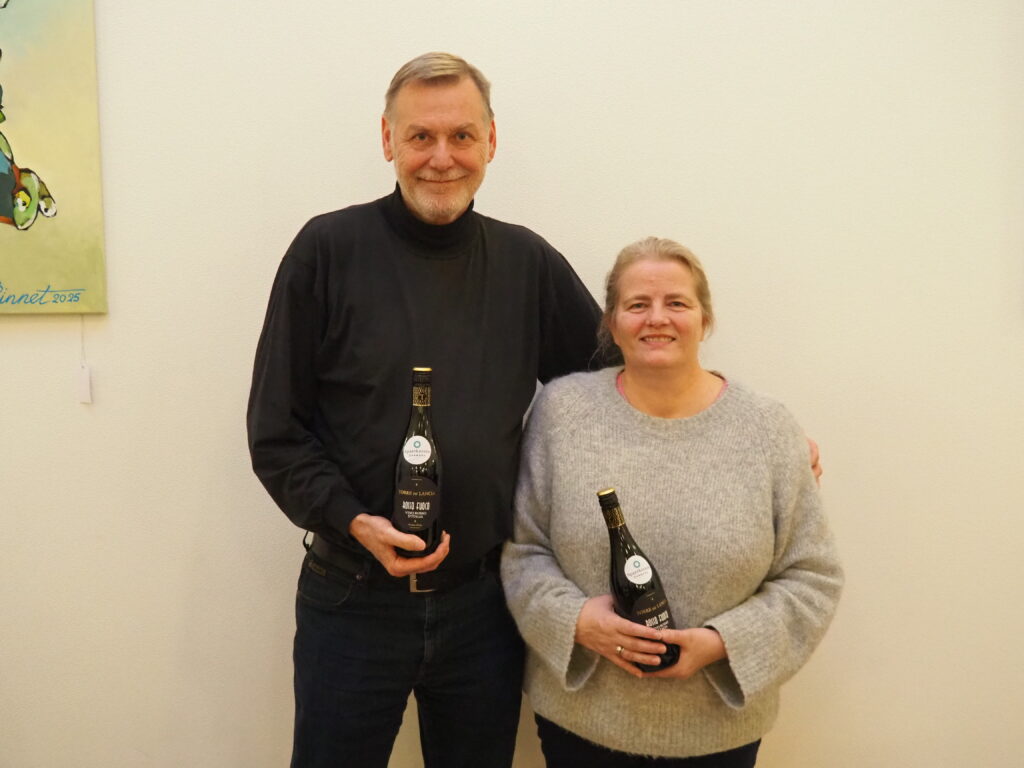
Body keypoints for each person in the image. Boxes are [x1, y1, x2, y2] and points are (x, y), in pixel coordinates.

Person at [246, 52, 607, 768]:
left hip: (485, 607)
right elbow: (275, 433)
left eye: (462, 136)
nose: (442, 158)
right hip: (351, 599)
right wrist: (354, 520)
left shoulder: (526, 262)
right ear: (388, 140)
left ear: (491, 142)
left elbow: (619, 384)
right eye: (421, 137)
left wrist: (729, 424)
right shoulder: (326, 251)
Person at [500, 237, 843, 767]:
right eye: (637, 304)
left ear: (705, 319)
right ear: (611, 324)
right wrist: (575, 619)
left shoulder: (769, 430)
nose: (656, 318)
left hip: (718, 733)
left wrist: (723, 642)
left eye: (676, 303)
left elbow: (812, 578)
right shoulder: (561, 413)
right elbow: (523, 551)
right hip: (581, 725)